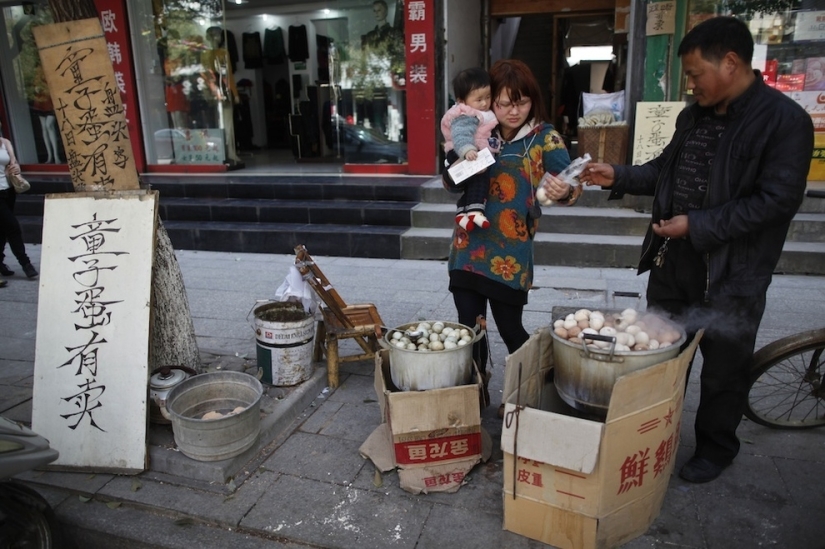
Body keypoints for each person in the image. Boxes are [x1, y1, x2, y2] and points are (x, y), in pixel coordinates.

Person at [580, 16, 814, 483]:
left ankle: (716, 447)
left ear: (731, 63)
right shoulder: (694, 116)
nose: (690, 83)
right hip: (674, 262)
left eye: (694, 73)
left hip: (733, 275)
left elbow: (775, 202)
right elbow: (665, 171)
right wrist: (619, 175)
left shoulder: (785, 122)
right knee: (658, 358)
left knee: (724, 371)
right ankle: (650, 435)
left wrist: (698, 225)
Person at [446, 59, 580, 408]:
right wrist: (460, 160)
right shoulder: (477, 131)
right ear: (489, 101)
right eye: (502, 103)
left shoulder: (544, 138)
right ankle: (474, 401)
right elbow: (449, 181)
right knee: (469, 331)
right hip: (468, 247)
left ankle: (532, 395)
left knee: (510, 330)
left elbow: (570, 182)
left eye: (520, 102)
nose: (512, 110)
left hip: (511, 255)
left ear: (532, 100)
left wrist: (563, 190)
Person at [441, 67, 501, 231]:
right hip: (463, 152)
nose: (484, 103)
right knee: (480, 180)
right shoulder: (466, 114)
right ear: (462, 100)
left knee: (472, 183)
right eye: (479, 99)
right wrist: (467, 151)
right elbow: (461, 134)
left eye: (488, 97)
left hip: (471, 152)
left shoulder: (481, 112)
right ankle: (475, 210)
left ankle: (462, 213)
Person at [0, 125, 38, 280]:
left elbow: (14, 165)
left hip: (9, 191)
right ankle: (26, 264)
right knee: (13, 227)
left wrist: (15, 168)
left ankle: (0, 263)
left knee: (2, 230)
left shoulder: (5, 143)